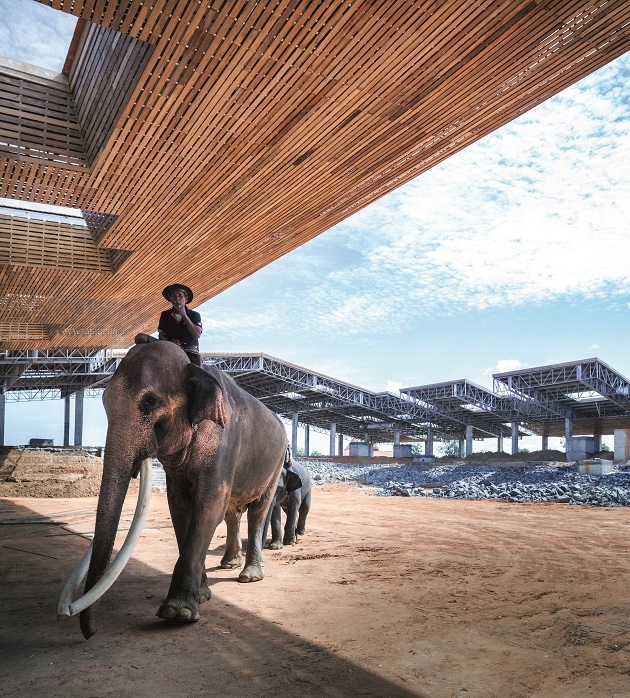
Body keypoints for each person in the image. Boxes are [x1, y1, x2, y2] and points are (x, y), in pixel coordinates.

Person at [158, 284, 203, 366]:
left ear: (185, 299)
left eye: (180, 296)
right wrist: (169, 342)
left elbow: (197, 335)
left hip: (189, 349)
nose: (177, 299)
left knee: (197, 361)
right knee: (141, 338)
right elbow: (161, 334)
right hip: (169, 346)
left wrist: (184, 315)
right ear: (170, 299)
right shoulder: (165, 315)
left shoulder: (194, 315)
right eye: (174, 296)